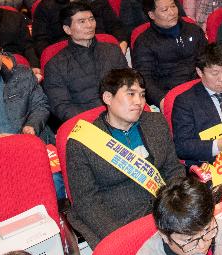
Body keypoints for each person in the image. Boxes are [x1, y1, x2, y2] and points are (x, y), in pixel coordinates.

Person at [65, 68, 185, 244]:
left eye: (142, 95)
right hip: (120, 222)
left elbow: (173, 169)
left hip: (166, 213)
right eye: (131, 94)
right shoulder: (82, 142)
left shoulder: (156, 122)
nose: (139, 102)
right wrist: (120, 238)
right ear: (108, 98)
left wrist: (176, 208)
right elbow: (86, 202)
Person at [42, 2, 128, 124]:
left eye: (91, 19)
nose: (89, 25)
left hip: (123, 114)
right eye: (82, 21)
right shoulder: (55, 65)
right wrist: (96, 121)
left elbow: (129, 84)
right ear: (67, 29)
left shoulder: (112, 50)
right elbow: (61, 106)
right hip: (86, 123)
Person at [131, 0, 208, 103]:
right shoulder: (144, 42)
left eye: (173, 6)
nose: (172, 12)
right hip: (171, 94)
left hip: (202, 86)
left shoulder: (193, 30)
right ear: (152, 15)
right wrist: (161, 99)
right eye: (164, 10)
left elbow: (208, 57)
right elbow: (144, 78)